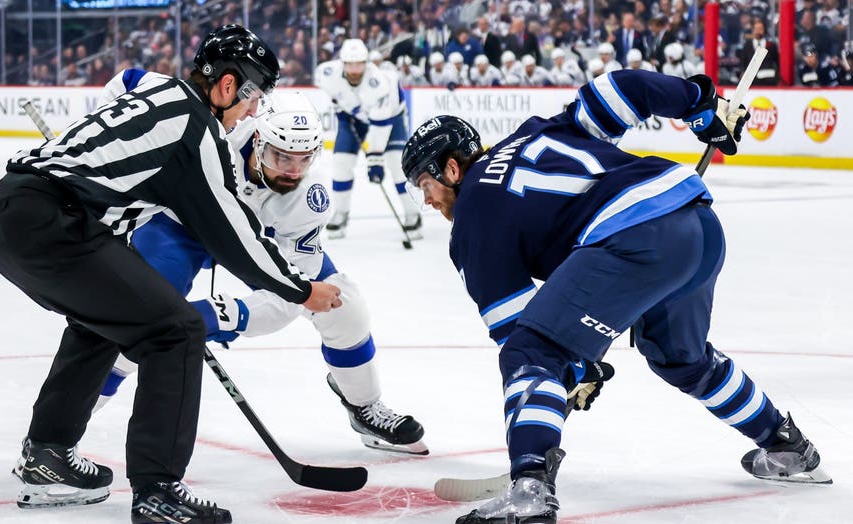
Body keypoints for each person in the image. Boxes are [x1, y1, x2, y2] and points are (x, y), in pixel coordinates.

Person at [401, 69, 831, 524]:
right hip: (697, 223)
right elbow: (620, 90)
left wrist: (571, 368)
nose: (427, 201)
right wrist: (698, 104)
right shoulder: (537, 131)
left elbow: (519, 334)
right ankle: (787, 445)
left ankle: (530, 489)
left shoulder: (472, 218)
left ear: (451, 168)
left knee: (532, 353)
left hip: (636, 238)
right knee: (681, 359)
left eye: (424, 186)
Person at [0, 24, 342, 524]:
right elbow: (232, 234)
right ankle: (158, 489)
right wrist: (300, 290)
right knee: (176, 331)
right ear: (228, 85)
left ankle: (48, 456)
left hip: (8, 210)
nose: (255, 111)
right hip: (52, 222)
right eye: (254, 96)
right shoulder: (199, 132)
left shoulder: (155, 88)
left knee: (99, 323)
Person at [83, 90, 428, 455]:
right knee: (132, 326)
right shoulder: (216, 138)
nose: (293, 171)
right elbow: (132, 83)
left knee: (346, 310)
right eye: (282, 157)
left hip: (259, 239)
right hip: (183, 226)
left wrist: (218, 315)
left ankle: (364, 406)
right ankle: (57, 438)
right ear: (259, 140)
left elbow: (293, 297)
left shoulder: (308, 197)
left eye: (303, 159)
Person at [313, 38, 422, 240]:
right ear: (342, 63)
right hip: (353, 118)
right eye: (350, 64)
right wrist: (341, 108)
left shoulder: (380, 84)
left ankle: (412, 213)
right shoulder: (327, 72)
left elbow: (380, 127)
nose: (354, 70)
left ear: (366, 63)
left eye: (359, 64)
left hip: (391, 118)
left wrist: (374, 160)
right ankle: (341, 213)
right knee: (340, 163)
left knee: (396, 165)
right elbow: (332, 91)